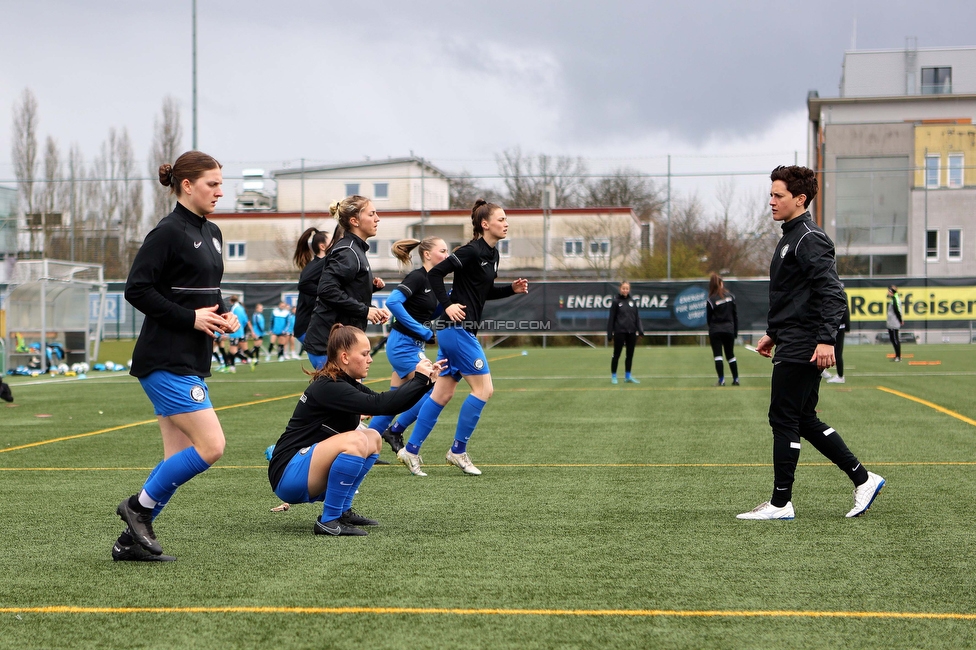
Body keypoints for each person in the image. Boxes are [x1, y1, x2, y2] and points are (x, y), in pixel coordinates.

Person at [738, 165, 884, 521]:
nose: (770, 201)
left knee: (783, 417)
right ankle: (864, 480)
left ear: (800, 199)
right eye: (771, 194)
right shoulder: (791, 236)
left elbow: (832, 293)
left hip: (806, 343)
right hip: (793, 338)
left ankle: (780, 503)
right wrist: (774, 332)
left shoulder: (809, 237)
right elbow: (794, 295)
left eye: (778, 195)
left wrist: (825, 340)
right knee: (802, 418)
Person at [113, 151, 238, 561]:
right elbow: (137, 289)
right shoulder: (167, 232)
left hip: (192, 358)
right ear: (186, 185)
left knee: (175, 460)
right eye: (212, 184)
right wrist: (190, 318)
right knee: (212, 446)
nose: (220, 191)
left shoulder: (214, 233)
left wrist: (223, 317)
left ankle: (131, 543)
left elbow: (205, 294)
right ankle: (136, 509)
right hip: (164, 359)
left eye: (221, 183)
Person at [267, 324, 444, 536]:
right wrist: (419, 379)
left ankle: (342, 511)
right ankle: (328, 520)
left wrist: (426, 382)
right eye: (365, 354)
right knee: (356, 440)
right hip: (288, 475)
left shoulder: (344, 382)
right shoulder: (330, 386)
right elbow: (381, 404)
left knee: (372, 437)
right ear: (344, 357)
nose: (370, 359)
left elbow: (388, 402)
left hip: (302, 469)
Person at [397, 200, 528, 477]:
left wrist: (511, 290)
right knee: (484, 390)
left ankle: (410, 450)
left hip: (457, 331)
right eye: (501, 219)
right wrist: (445, 305)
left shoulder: (493, 255)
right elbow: (435, 273)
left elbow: (484, 291)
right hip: (456, 330)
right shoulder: (470, 251)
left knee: (442, 393)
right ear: (485, 224)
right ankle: (457, 451)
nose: (506, 224)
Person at [367, 236, 450, 455]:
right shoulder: (417, 277)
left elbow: (429, 313)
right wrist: (421, 330)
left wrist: (451, 300)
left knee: (394, 401)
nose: (447, 256)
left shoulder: (435, 281)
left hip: (413, 347)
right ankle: (395, 430)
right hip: (402, 345)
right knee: (431, 386)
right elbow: (393, 302)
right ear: (427, 254)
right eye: (442, 251)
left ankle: (365, 446)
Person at [303, 195, 390, 371]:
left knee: (344, 397)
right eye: (371, 214)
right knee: (340, 397)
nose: (377, 218)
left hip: (342, 343)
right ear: (354, 221)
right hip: (328, 344)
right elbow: (326, 290)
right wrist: (365, 310)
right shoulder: (348, 251)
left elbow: (346, 292)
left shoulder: (356, 249)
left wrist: (371, 306)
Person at [293, 227, 329, 358]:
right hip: (307, 328)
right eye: (333, 241)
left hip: (315, 327)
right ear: (322, 246)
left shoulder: (325, 265)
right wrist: (327, 293)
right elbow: (305, 287)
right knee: (329, 373)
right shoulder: (315, 266)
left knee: (335, 372)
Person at [606, 281, 644, 384]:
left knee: (629, 355)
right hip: (619, 332)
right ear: (620, 289)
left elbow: (637, 317)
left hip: (631, 332)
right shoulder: (616, 302)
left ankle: (628, 376)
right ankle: (614, 376)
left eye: (627, 288)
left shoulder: (633, 301)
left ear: (629, 289)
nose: (625, 290)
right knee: (616, 355)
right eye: (623, 288)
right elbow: (611, 319)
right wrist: (609, 333)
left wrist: (640, 330)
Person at [706, 273, 739, 386]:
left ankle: (721, 380)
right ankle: (736, 379)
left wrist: (712, 328)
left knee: (718, 355)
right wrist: (735, 331)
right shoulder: (731, 297)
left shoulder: (711, 299)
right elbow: (735, 315)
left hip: (716, 330)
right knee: (730, 354)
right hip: (729, 329)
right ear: (721, 283)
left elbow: (708, 318)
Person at [826, 288, 850, 384]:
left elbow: (845, 312)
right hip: (837, 326)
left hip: (838, 327)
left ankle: (840, 376)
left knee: (838, 352)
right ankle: (826, 372)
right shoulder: (839, 294)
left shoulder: (839, 295)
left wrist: (846, 326)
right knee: (835, 352)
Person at [221, 295, 249, 373]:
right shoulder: (241, 308)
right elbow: (245, 321)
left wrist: (225, 333)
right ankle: (233, 366)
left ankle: (245, 359)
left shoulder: (234, 309)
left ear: (231, 301)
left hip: (234, 332)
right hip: (241, 331)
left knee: (232, 350)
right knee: (235, 350)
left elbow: (229, 320)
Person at [886, 285, 904, 362]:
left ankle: (898, 356)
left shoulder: (895, 299)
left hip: (894, 322)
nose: (888, 292)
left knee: (895, 339)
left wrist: (900, 320)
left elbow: (897, 311)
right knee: (892, 339)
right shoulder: (893, 299)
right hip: (891, 322)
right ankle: (897, 355)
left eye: (889, 291)